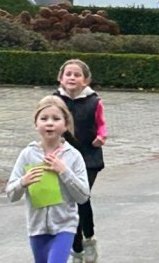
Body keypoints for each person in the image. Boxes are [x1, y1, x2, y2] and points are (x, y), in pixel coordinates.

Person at [6, 96, 90, 263]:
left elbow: (83, 196)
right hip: (37, 228)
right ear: (36, 124)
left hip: (65, 226)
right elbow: (10, 193)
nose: (49, 123)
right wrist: (23, 182)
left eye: (56, 119)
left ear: (65, 125)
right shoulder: (27, 154)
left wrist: (64, 171)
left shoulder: (73, 156)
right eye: (44, 119)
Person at [53, 59, 106, 263]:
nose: (72, 78)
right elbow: (45, 120)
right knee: (70, 202)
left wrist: (101, 137)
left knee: (81, 197)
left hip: (89, 156)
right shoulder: (54, 100)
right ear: (60, 78)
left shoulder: (94, 101)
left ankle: (89, 239)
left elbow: (101, 124)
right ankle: (76, 249)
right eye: (68, 74)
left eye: (77, 75)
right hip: (63, 157)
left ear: (85, 80)